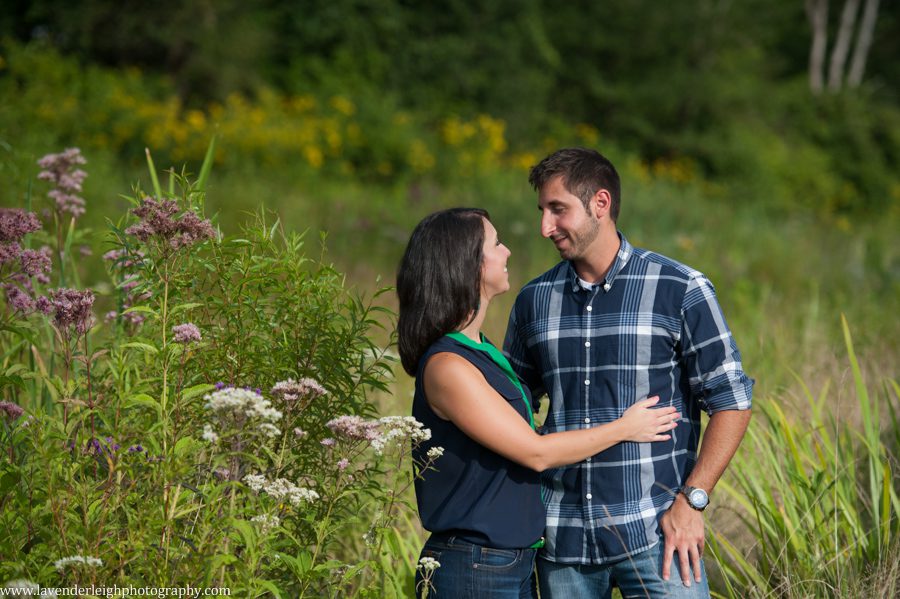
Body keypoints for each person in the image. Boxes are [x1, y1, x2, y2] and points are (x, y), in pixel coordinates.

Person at [503, 148, 753, 598]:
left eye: (558, 209)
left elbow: (731, 400)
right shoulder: (532, 301)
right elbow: (511, 406)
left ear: (600, 203)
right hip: (563, 541)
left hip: (659, 534)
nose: (545, 227)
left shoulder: (680, 288)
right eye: (542, 211)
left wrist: (693, 501)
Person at [397, 208, 681, 598]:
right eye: (496, 243)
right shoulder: (448, 366)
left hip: (506, 562)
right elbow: (535, 453)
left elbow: (517, 438)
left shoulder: (481, 351)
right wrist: (625, 428)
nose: (508, 251)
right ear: (466, 264)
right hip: (474, 566)